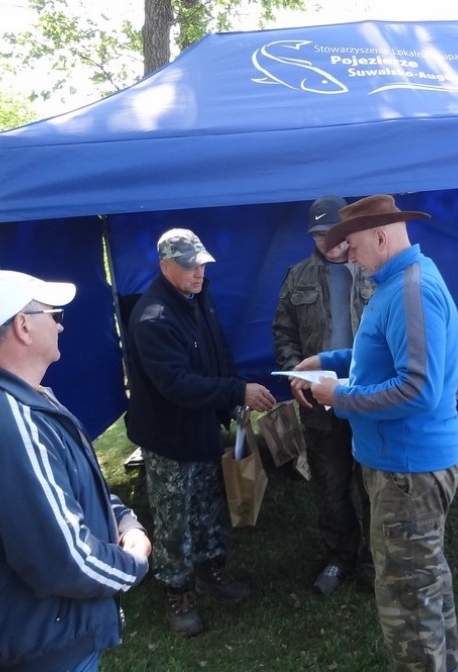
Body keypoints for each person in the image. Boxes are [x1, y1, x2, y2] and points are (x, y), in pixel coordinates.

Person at [0, 269, 151, 672]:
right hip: (40, 651)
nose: (60, 325)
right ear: (22, 326)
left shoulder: (18, 399)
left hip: (35, 640)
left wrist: (123, 519)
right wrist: (134, 562)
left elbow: (77, 483)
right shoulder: (11, 423)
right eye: (53, 315)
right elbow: (64, 561)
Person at [297, 194, 458, 672]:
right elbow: (381, 353)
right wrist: (328, 361)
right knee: (423, 585)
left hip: (407, 472)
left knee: (408, 603)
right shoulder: (398, 283)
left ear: (380, 236)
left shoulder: (411, 289)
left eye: (351, 245)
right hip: (404, 466)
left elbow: (417, 389)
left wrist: (339, 397)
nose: (348, 255)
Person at [124, 228, 276, 637]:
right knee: (175, 519)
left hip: (203, 426)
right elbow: (177, 384)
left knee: (209, 505)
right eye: (189, 266)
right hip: (169, 437)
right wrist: (236, 391)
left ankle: (212, 571)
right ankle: (177, 591)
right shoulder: (153, 317)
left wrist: (233, 398)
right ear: (165, 267)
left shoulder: (197, 297)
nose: (199, 272)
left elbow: (218, 351)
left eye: (202, 264)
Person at [272, 195, 376, 595]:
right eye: (317, 234)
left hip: (368, 398)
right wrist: (296, 372)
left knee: (374, 483)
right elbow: (283, 332)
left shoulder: (374, 271)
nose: (325, 241)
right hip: (319, 402)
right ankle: (340, 556)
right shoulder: (297, 276)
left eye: (331, 232)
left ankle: (373, 559)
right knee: (330, 486)